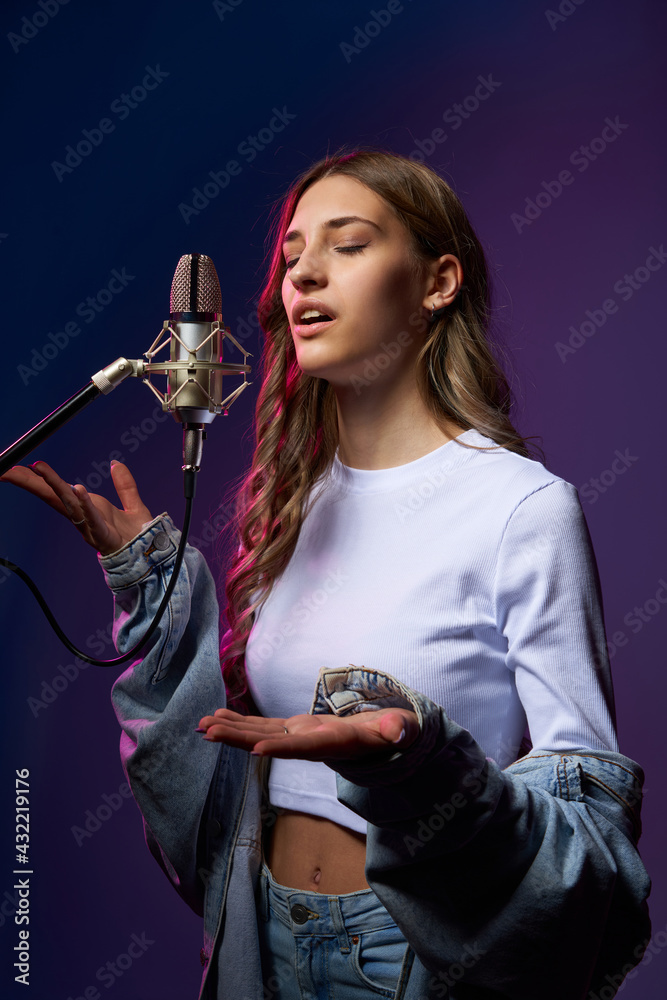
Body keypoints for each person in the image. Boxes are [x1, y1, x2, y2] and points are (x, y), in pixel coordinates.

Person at [1, 150, 651, 1000]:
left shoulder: (523, 509)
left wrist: (417, 757)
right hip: (257, 937)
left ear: (437, 282)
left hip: (414, 958)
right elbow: (210, 768)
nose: (302, 272)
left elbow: (586, 831)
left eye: (346, 245)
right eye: (293, 253)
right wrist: (152, 584)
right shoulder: (295, 505)